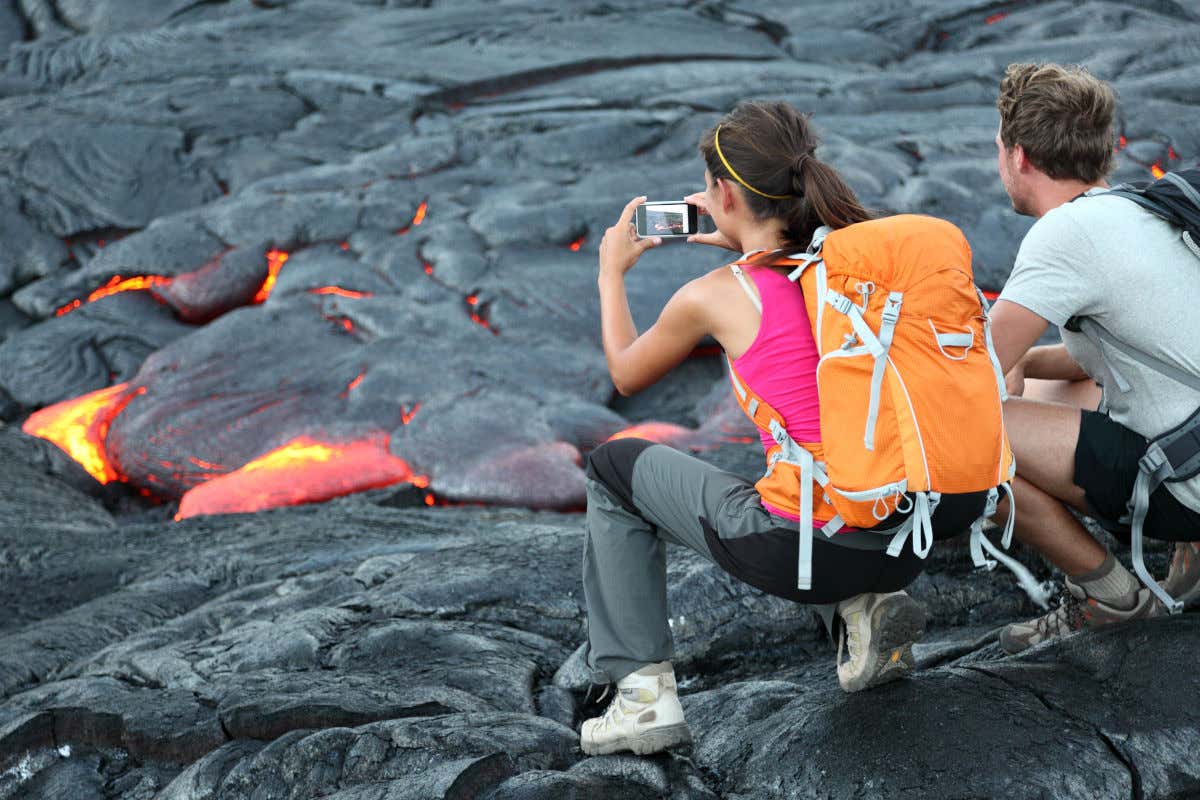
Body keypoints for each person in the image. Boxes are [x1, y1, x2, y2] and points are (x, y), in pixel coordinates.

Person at [578, 100, 994, 757]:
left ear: (721, 194)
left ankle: (641, 698)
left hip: (805, 551)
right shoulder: (858, 266)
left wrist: (610, 272)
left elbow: (627, 374)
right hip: (908, 535)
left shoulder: (714, 296)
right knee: (830, 455)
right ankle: (865, 610)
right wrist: (741, 230)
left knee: (612, 469)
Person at [985, 62, 1200, 654]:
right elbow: (1112, 356)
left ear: (1019, 156)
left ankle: (1111, 597)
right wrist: (1025, 365)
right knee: (1054, 393)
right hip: (1194, 443)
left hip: (1187, 485)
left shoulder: (1065, 236)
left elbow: (967, 371)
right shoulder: (1133, 209)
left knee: (960, 437)